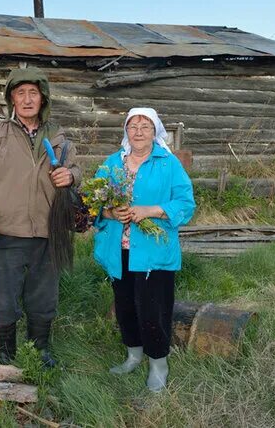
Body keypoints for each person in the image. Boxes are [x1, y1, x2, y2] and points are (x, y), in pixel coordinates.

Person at [0, 67, 81, 367]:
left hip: (49, 232)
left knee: (43, 298)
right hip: (5, 233)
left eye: (33, 93)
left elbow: (78, 172)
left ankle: (39, 350)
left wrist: (71, 175)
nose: (27, 99)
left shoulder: (59, 137)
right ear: (12, 100)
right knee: (2, 300)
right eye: (20, 93)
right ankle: (4, 354)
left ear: (43, 99)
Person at [92, 108, 195, 392]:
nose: (138, 131)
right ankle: (133, 356)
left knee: (153, 310)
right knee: (125, 307)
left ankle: (159, 365)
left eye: (145, 126)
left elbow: (186, 205)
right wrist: (111, 213)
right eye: (132, 126)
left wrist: (151, 210)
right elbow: (94, 204)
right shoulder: (112, 163)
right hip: (119, 251)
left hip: (153, 252)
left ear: (155, 131)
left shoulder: (168, 164)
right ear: (126, 131)